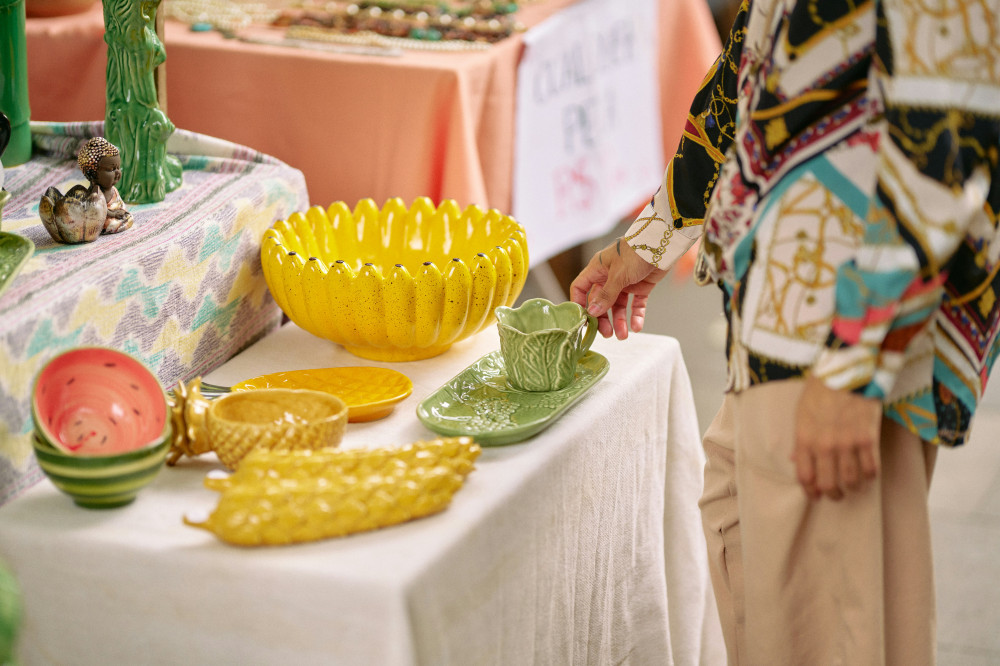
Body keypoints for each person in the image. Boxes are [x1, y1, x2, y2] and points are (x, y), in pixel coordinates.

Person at [569, 1, 1000, 663]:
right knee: (742, 543)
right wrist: (653, 238)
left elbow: (955, 107)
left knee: (832, 625)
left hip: (844, 308)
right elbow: (758, 52)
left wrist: (854, 362)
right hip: (781, 301)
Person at [77, 136, 134, 234]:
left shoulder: (113, 189)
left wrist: (121, 211)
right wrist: (113, 214)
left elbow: (119, 204)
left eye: (118, 167)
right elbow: (99, 210)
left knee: (128, 217)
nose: (117, 172)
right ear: (93, 175)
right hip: (104, 219)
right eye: (111, 169)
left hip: (116, 215)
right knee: (108, 224)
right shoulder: (96, 192)